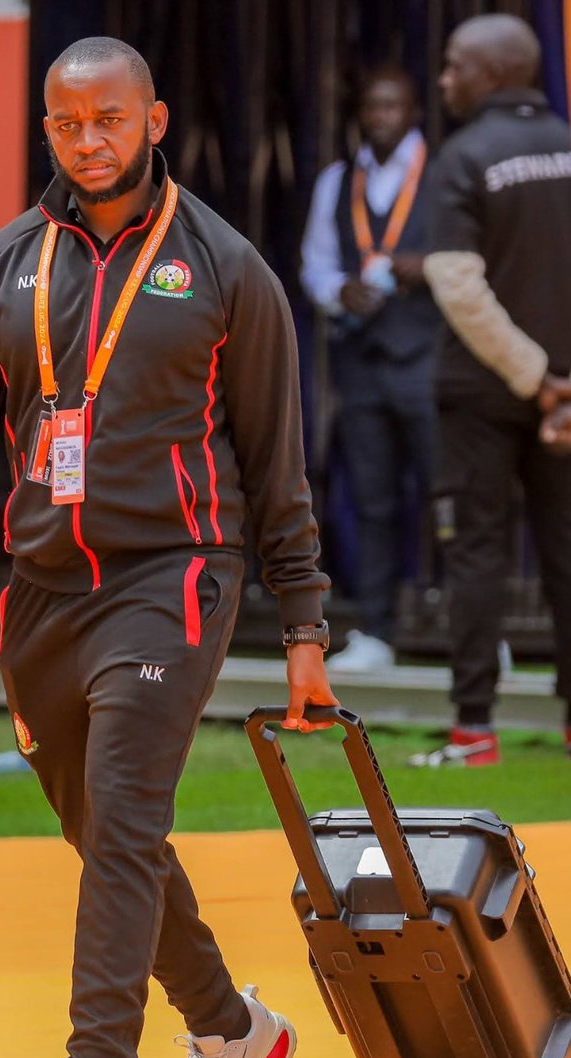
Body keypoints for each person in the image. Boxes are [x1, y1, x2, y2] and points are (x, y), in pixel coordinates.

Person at [0, 37, 338, 1058]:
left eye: (110, 121)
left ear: (155, 119)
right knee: (103, 836)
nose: (90, 141)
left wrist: (305, 629)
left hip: (175, 577)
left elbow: (276, 467)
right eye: (68, 125)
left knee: (122, 825)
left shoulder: (226, 270)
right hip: (42, 596)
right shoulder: (2, 271)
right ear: (49, 131)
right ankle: (232, 1033)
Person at [419, 13, 571, 766]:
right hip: (566, 403)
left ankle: (473, 731)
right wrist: (561, 386)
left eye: (454, 66)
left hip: (485, 394)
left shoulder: (464, 154)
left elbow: (456, 283)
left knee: (476, 554)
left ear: (492, 73)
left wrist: (533, 377)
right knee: (568, 555)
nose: (445, 79)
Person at [301, 66, 439, 673]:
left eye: (394, 105)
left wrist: (428, 265)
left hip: (431, 361)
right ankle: (377, 631)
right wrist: (339, 291)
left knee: (450, 498)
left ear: (414, 110)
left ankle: (478, 634)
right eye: (373, 106)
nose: (382, 116)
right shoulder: (338, 180)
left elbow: (478, 255)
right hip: (361, 363)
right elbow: (314, 264)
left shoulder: (444, 173)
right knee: (374, 497)